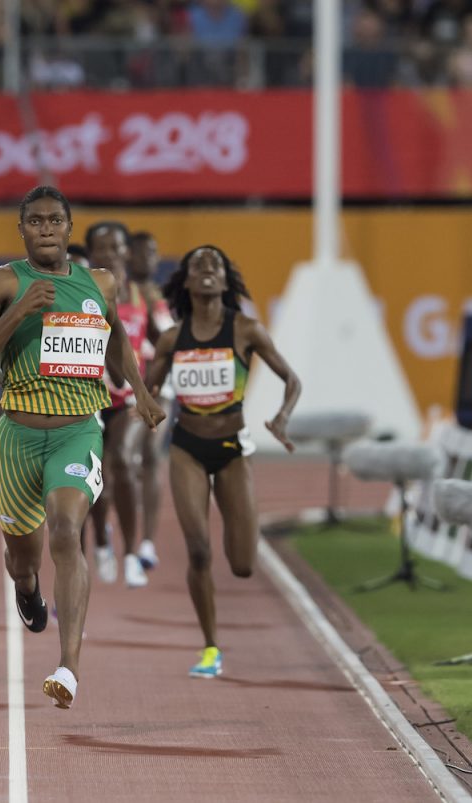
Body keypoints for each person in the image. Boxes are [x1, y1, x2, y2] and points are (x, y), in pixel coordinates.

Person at [0, 186, 165, 709]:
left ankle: (68, 666)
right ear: (22, 229)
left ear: (70, 230)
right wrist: (19, 311)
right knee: (24, 557)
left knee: (67, 529)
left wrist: (139, 393)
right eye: (36, 221)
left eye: (55, 220)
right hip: (18, 438)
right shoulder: (2, 282)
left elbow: (115, 336)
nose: (46, 228)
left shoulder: (100, 283)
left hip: (78, 429)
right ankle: (28, 590)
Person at [144, 245, 300, 679]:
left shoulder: (246, 330)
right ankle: (211, 647)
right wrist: (145, 410)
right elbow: (147, 392)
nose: (208, 270)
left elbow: (292, 379)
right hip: (187, 448)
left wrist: (281, 418)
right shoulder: (173, 338)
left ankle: (219, 623)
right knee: (198, 552)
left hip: (232, 450)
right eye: (199, 266)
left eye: (216, 265)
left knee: (243, 565)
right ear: (188, 281)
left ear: (226, 281)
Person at [84, 221, 160, 589]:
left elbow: (165, 342)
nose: (109, 255)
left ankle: (131, 552)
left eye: (116, 248)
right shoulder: (79, 289)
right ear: (90, 255)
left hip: (128, 397)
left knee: (124, 462)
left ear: (127, 252)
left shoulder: (143, 294)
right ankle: (101, 538)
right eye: (101, 249)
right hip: (87, 396)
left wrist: (155, 387)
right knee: (93, 476)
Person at [128, 231, 175, 572]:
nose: (149, 259)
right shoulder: (119, 292)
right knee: (120, 459)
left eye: (154, 252)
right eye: (142, 253)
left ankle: (147, 542)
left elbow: (166, 343)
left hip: (159, 387)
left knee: (149, 458)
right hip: (127, 386)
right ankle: (112, 528)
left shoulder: (159, 297)